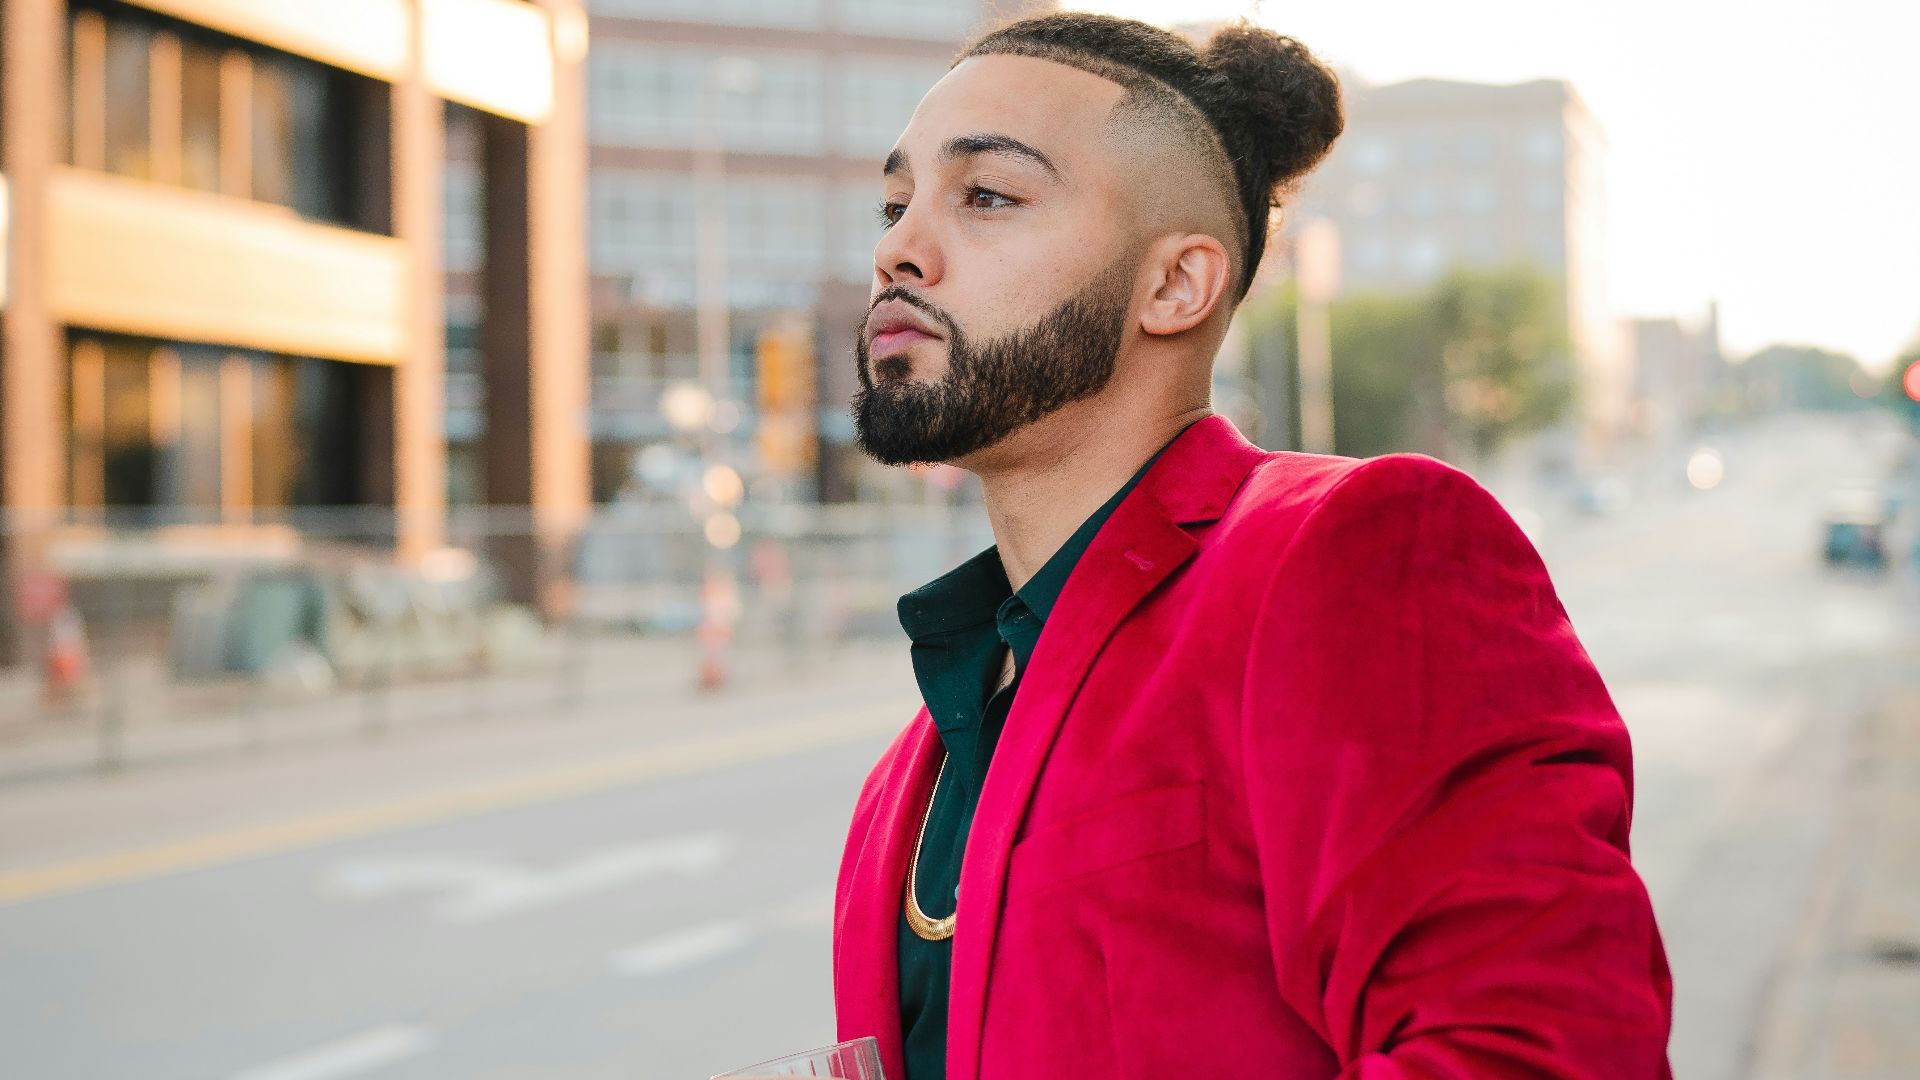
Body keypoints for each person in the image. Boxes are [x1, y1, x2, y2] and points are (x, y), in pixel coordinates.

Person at [830, 13, 1673, 1080]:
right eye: (895, 204)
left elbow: (1541, 1051)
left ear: (1176, 285)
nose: (896, 249)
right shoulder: (904, 779)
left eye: (987, 195)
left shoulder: (1352, 552)